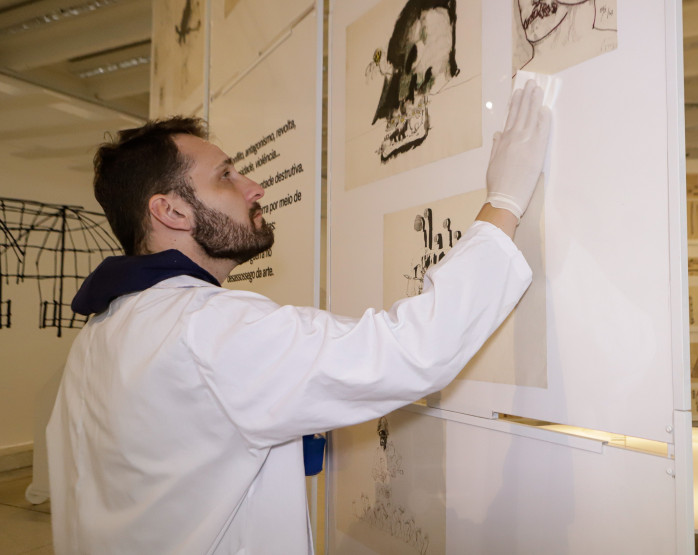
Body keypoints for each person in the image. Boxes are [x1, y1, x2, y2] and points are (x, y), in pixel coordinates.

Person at [46, 80, 551, 554]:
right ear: (172, 212)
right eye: (226, 175)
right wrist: (503, 204)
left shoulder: (100, 335)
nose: (255, 186)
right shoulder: (207, 327)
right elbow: (409, 351)